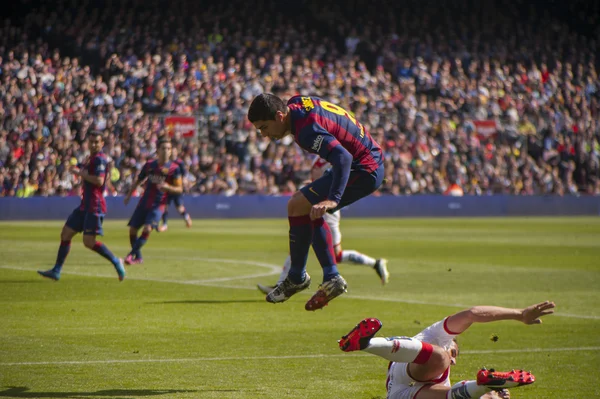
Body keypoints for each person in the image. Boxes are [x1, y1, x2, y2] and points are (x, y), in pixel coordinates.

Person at [248, 93, 385, 311]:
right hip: (366, 159)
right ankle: (323, 275)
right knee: (301, 206)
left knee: (300, 205)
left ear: (280, 116)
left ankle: (301, 277)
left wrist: (333, 199)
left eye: (264, 127)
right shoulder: (296, 103)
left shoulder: (306, 131)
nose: (264, 135)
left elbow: (343, 157)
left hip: (365, 168)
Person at [338, 301, 556, 399]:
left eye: (454, 357)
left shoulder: (444, 378)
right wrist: (519, 314)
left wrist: (493, 394)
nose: (453, 359)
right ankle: (365, 343)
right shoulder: (437, 336)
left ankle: (484, 383)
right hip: (404, 366)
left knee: (475, 396)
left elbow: (452, 394)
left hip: (401, 394)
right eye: (454, 351)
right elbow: (473, 313)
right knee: (439, 357)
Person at [257, 157, 389, 294]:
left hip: (325, 207)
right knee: (301, 246)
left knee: (319, 250)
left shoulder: (336, 152)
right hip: (317, 202)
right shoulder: (322, 153)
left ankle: (374, 264)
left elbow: (339, 176)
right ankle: (281, 285)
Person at [38, 132, 125, 281]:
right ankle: (57, 270)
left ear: (102, 143)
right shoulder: (91, 159)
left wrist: (80, 173)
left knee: (88, 242)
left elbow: (99, 180)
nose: (93, 144)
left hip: (95, 206)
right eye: (91, 141)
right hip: (86, 205)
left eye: (96, 142)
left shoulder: (99, 160)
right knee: (66, 233)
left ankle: (116, 260)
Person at [124, 137, 183, 264]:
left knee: (147, 229)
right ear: (157, 150)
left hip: (158, 205)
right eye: (163, 148)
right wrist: (129, 195)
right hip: (144, 202)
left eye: (168, 148)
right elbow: (138, 180)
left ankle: (130, 255)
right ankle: (138, 257)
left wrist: (168, 187)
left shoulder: (174, 168)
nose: (166, 151)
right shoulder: (150, 165)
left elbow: (179, 189)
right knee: (132, 230)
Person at [157, 148, 192, 232]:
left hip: (176, 188)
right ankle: (165, 225)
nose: (172, 153)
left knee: (179, 208)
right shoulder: (166, 163)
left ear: (176, 153)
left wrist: (184, 182)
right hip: (167, 188)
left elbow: (184, 174)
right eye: (171, 152)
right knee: (165, 207)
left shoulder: (180, 163)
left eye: (174, 152)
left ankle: (186, 217)